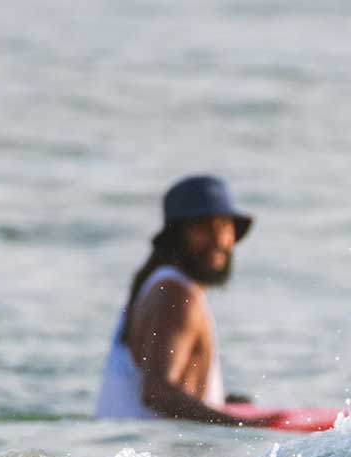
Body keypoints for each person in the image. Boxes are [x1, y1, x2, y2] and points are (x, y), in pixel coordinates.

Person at [94, 175, 265, 425]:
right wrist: (243, 426)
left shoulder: (157, 284)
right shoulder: (175, 295)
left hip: (124, 443)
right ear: (177, 235)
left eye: (224, 227)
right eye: (203, 228)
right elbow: (157, 393)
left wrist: (222, 403)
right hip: (150, 448)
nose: (218, 240)